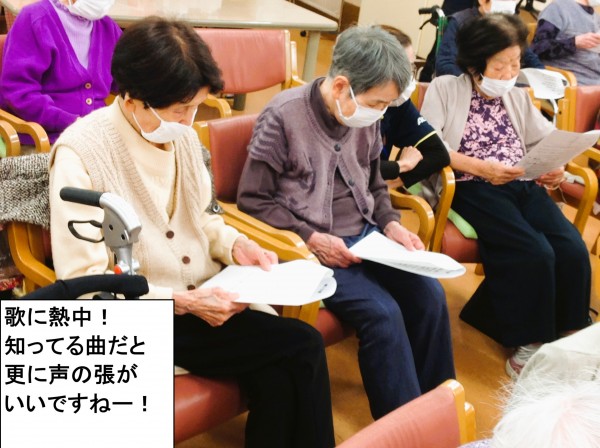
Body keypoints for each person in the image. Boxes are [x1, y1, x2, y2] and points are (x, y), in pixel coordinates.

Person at [49, 17, 335, 448]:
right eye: (179, 109)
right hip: (138, 313)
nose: (188, 121)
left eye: (196, 106)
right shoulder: (81, 153)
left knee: (278, 378)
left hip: (202, 295)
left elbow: (204, 217)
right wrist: (180, 301)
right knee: (302, 344)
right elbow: (85, 283)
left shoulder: (180, 136)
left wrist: (235, 245)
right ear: (132, 98)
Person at [237, 25, 456, 420]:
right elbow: (252, 200)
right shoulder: (283, 116)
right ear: (341, 87)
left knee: (430, 296)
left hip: (368, 236)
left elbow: (374, 184)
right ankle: (405, 431)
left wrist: (391, 223)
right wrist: (311, 237)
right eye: (377, 103)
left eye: (387, 105)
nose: (381, 113)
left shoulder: (362, 114)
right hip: (312, 246)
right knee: (383, 313)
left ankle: (440, 415)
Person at [420, 13, 592, 379]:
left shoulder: (515, 95)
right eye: (500, 65)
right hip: (472, 184)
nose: (510, 73)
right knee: (534, 251)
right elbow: (430, 147)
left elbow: (543, 137)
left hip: (520, 180)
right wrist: (483, 169)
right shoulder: (444, 88)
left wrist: (555, 166)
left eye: (515, 63)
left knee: (572, 247)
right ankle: (529, 344)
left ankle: (570, 334)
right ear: (475, 63)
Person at [0, 0, 122, 144]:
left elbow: (129, 80)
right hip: (43, 138)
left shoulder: (107, 27)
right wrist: (70, 121)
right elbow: (18, 92)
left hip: (96, 135)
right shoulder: (35, 19)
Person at [378, 25, 450, 188]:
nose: (410, 76)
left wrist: (389, 184)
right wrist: (402, 165)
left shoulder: (398, 104)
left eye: (411, 66)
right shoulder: (353, 110)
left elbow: (438, 154)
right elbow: (353, 168)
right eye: (404, 69)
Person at [435, 0, 544, 77]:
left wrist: (542, 78)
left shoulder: (511, 26)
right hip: (467, 87)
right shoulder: (461, 22)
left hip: (503, 87)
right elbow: (445, 64)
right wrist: (476, 82)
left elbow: (530, 58)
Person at [531, 0, 600, 86]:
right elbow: (538, 48)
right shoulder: (558, 9)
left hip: (595, 80)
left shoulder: (596, 17)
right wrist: (574, 43)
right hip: (572, 81)